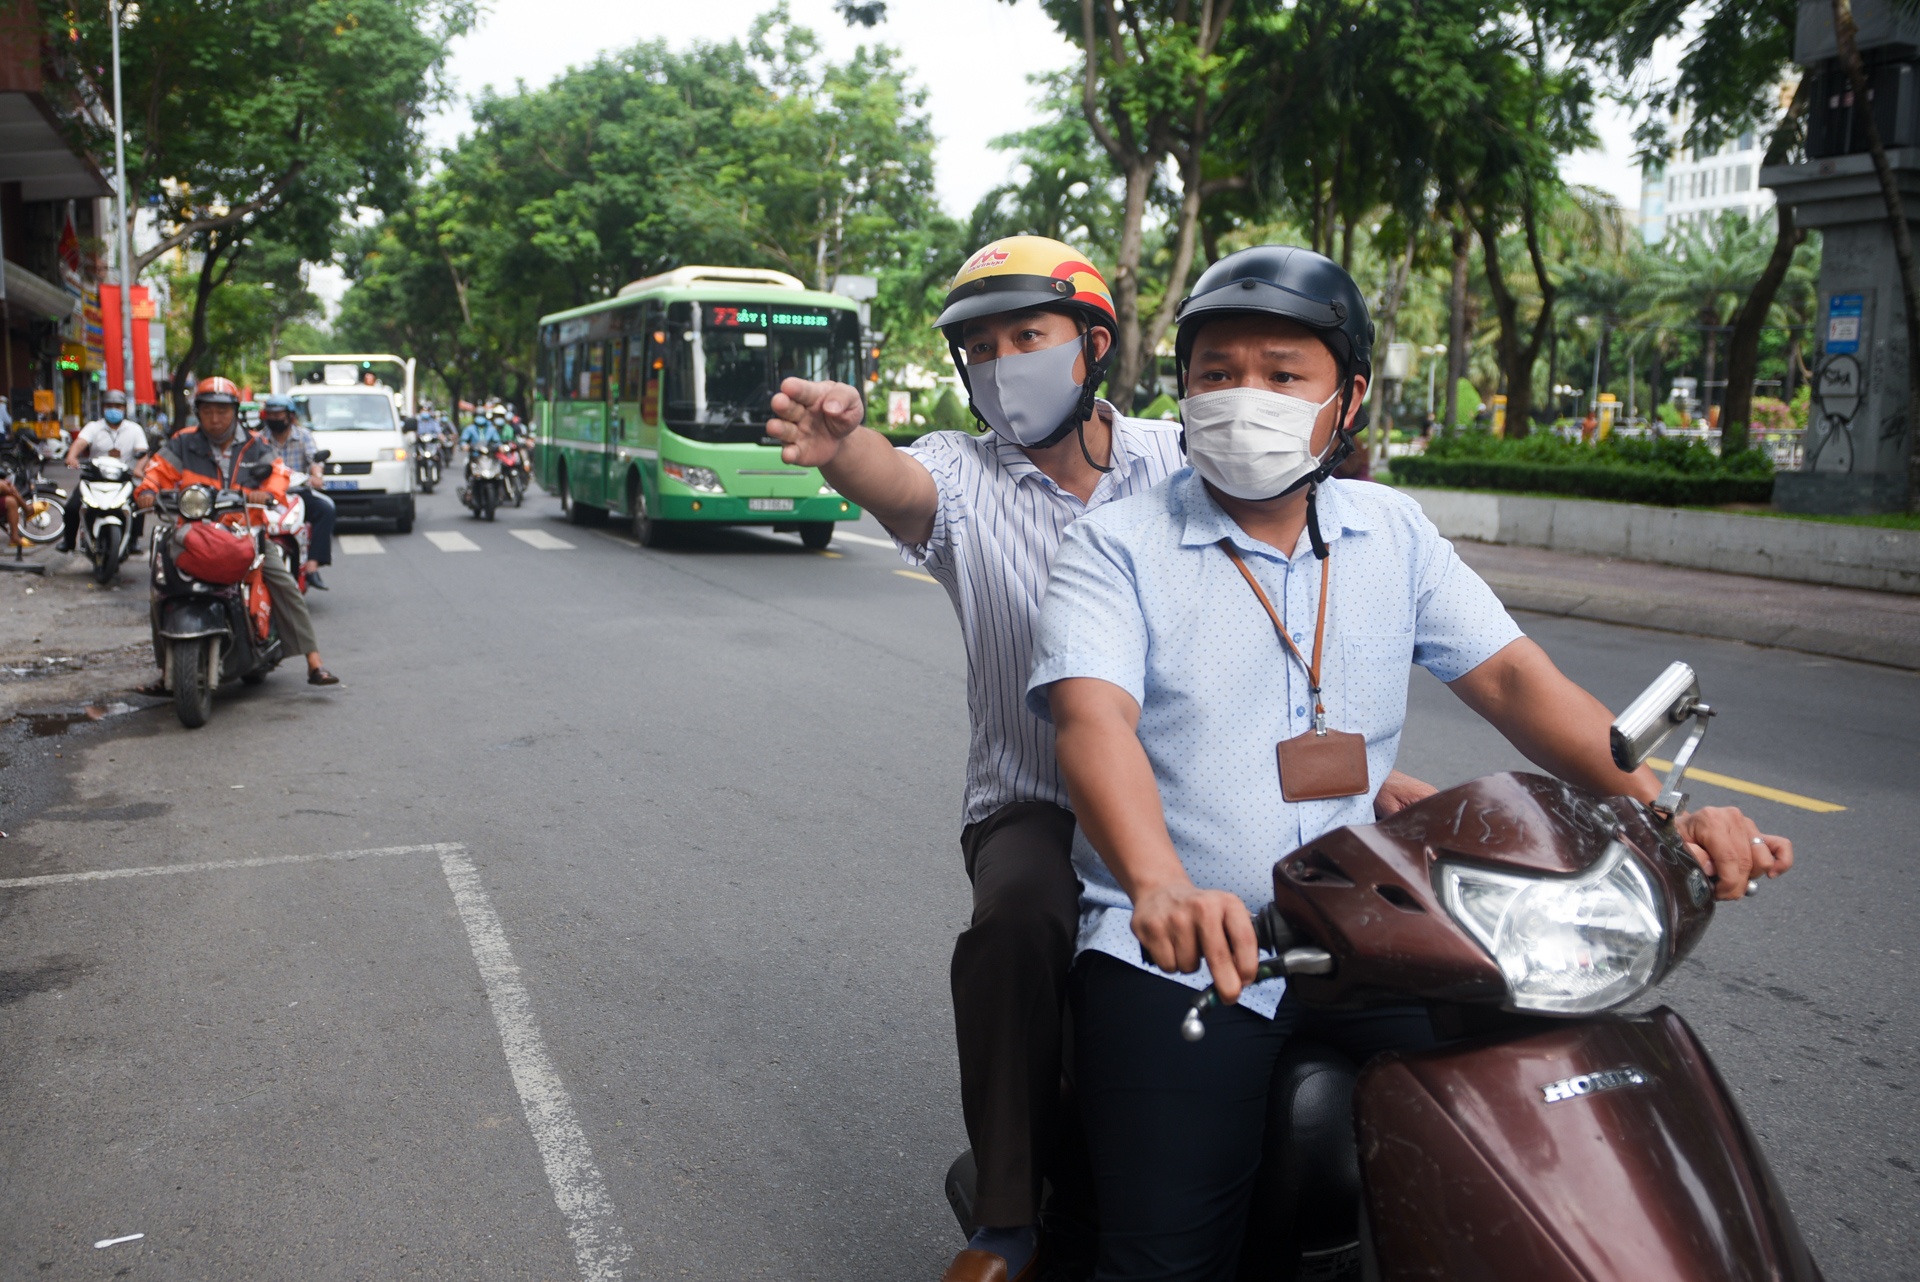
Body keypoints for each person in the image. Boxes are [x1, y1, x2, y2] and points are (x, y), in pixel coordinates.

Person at [1024, 245, 1794, 1282]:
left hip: (1373, 933)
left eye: (1282, 373)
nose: (1242, 396)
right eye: (1215, 372)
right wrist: (1160, 885)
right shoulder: (1114, 547)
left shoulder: (1392, 533)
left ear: (1349, 398)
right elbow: (1092, 723)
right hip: (1190, 956)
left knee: (1538, 1145)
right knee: (1164, 1261)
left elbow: (1519, 685)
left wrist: (1663, 814)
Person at [767, 236, 1433, 1282]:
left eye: (1025, 336)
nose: (1001, 363)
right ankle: (1007, 1218)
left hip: (1201, 783)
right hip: (1036, 798)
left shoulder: (1188, 453)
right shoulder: (961, 474)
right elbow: (891, 483)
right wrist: (845, 444)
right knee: (1021, 917)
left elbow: (1291, 617)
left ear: (1091, 346)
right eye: (978, 347)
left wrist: (1364, 773)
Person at [136, 376, 340, 686]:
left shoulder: (255, 444)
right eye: (207, 411)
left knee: (284, 584)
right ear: (198, 412)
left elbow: (278, 474)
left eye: (222, 412)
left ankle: (314, 661)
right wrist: (148, 490)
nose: (215, 419)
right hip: (194, 533)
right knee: (159, 588)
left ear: (234, 411)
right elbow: (157, 472)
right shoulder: (183, 441)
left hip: (246, 531)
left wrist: (267, 493)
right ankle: (166, 671)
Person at [257, 393, 335, 590]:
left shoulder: (303, 436)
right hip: (268, 495)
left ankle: (312, 566)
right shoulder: (258, 439)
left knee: (326, 509)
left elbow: (314, 460)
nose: (275, 419)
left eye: (279, 414)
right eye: (271, 415)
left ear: (290, 416)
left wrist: (317, 475)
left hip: (298, 492)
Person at [58, 387, 148, 554]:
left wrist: (139, 468)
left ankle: (134, 540)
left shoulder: (135, 429)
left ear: (124, 409)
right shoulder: (93, 427)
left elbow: (143, 453)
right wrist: (72, 456)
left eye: (118, 406)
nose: (114, 409)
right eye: (109, 406)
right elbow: (80, 442)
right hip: (95, 477)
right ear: (103, 408)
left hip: (123, 478)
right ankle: (68, 542)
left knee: (139, 503)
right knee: (72, 507)